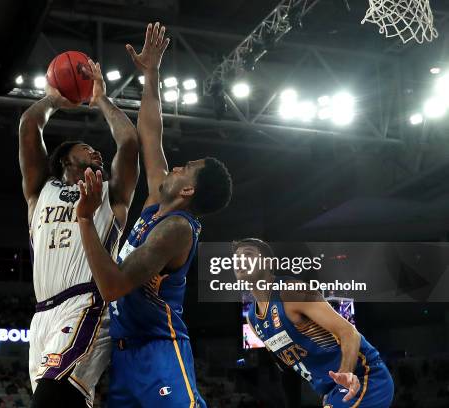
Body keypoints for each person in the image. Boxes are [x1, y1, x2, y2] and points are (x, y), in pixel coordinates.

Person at [75, 22, 232, 407]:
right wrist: (150, 75)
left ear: (189, 190)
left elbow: (113, 285)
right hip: (125, 356)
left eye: (185, 169)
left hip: (160, 351)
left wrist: (84, 219)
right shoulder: (156, 203)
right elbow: (150, 134)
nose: (175, 167)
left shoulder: (176, 228)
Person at [19, 58, 139, 407]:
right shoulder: (39, 190)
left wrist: (101, 99)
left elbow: (129, 141)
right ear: (64, 161)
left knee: (51, 399)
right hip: (42, 315)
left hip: (86, 303)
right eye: (86, 148)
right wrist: (53, 100)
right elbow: (29, 124)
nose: (96, 150)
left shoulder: (111, 194)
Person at [233, 238, 395, 407]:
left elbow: (349, 332)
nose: (240, 261)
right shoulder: (252, 319)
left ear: (267, 263)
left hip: (364, 376)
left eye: (248, 255)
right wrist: (326, 393)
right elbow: (290, 367)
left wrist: (345, 374)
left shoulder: (291, 292)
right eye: (236, 258)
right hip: (334, 390)